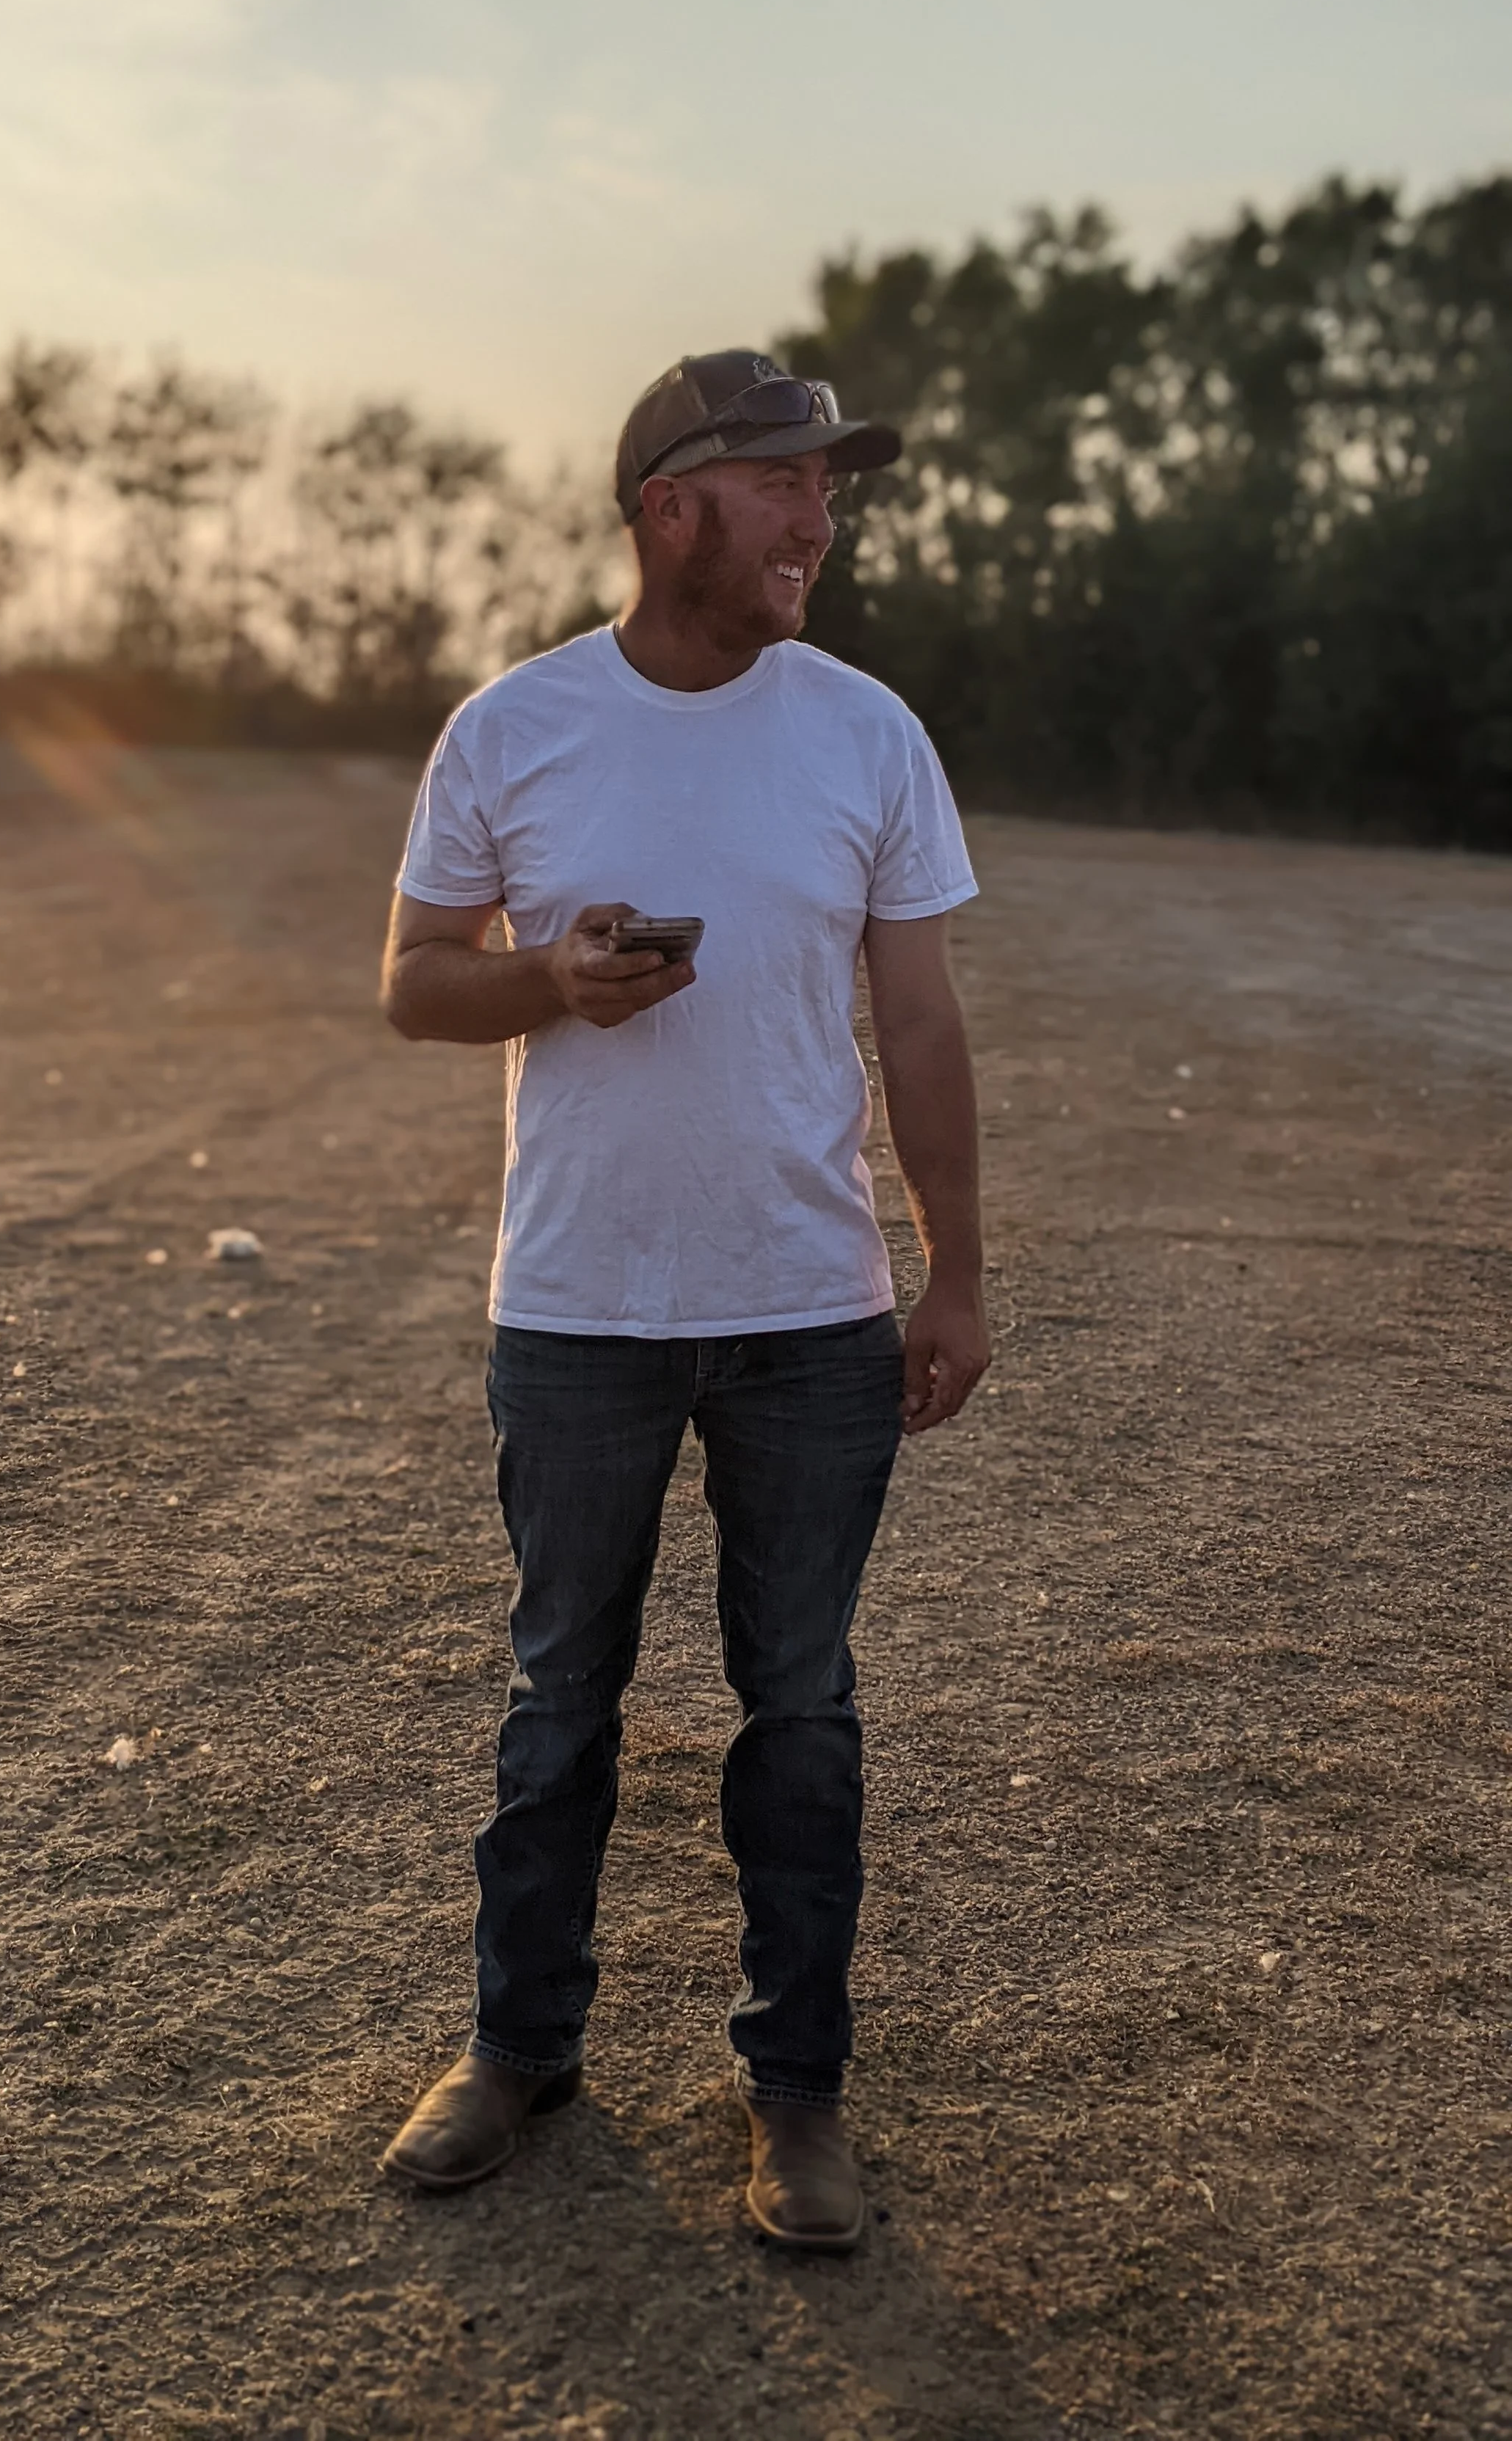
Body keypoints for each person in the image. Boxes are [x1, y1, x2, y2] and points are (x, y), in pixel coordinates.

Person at [376, 351, 989, 2252]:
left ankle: (794, 2097)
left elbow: (917, 1016)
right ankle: (516, 2049)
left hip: (810, 1306)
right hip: (574, 1306)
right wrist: (548, 977)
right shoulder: (512, 725)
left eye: (830, 485)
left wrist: (954, 1259)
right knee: (561, 1693)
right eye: (783, 483)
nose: (821, 518)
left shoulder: (869, 731)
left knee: (796, 1705)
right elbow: (411, 979)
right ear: (670, 510)